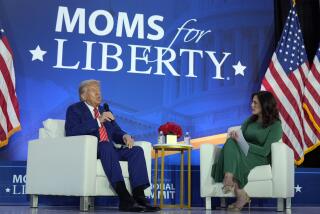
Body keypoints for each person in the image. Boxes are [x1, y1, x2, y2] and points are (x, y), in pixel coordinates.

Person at [65, 79, 160, 212]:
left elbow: (115, 131)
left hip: (110, 149)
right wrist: (98, 121)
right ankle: (125, 199)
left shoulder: (104, 110)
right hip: (93, 151)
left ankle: (140, 197)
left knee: (136, 151)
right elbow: (71, 131)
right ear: (83, 96)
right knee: (105, 145)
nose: (99, 94)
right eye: (94, 91)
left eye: (99, 91)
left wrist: (124, 136)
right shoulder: (75, 109)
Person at [211, 91, 282, 211]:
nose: (251, 105)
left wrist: (243, 143)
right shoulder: (250, 120)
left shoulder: (275, 125)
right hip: (243, 152)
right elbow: (240, 136)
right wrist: (235, 136)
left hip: (260, 157)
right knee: (230, 141)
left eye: (255, 103)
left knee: (234, 153)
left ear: (265, 105)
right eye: (252, 102)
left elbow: (265, 151)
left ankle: (236, 188)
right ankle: (230, 179)